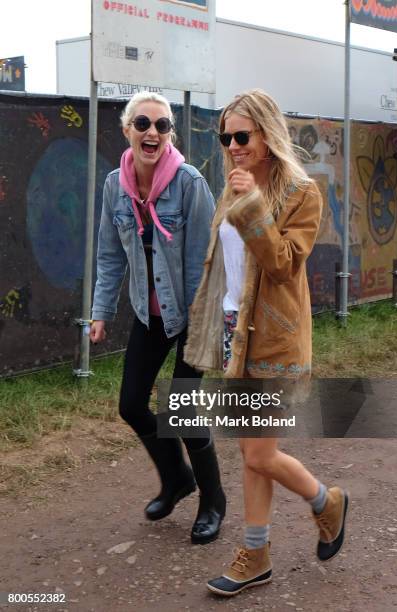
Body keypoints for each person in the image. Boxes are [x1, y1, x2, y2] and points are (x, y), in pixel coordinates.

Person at [184, 89, 349, 595]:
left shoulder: (303, 193)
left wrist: (252, 204)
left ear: (266, 134)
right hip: (236, 335)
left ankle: (326, 501)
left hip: (276, 341)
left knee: (258, 455)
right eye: (225, 137)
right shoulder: (233, 186)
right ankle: (256, 554)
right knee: (251, 452)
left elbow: (281, 264)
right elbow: (228, 271)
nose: (232, 145)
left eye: (242, 135)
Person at [90, 91, 226, 545]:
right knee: (131, 404)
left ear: (170, 133)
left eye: (162, 125)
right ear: (127, 129)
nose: (153, 133)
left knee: (181, 411)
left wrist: (210, 321)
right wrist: (100, 312)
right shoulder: (115, 185)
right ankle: (176, 479)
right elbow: (110, 256)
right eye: (143, 124)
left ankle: (213, 501)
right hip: (149, 316)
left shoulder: (188, 183)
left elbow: (209, 258)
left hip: (191, 313)